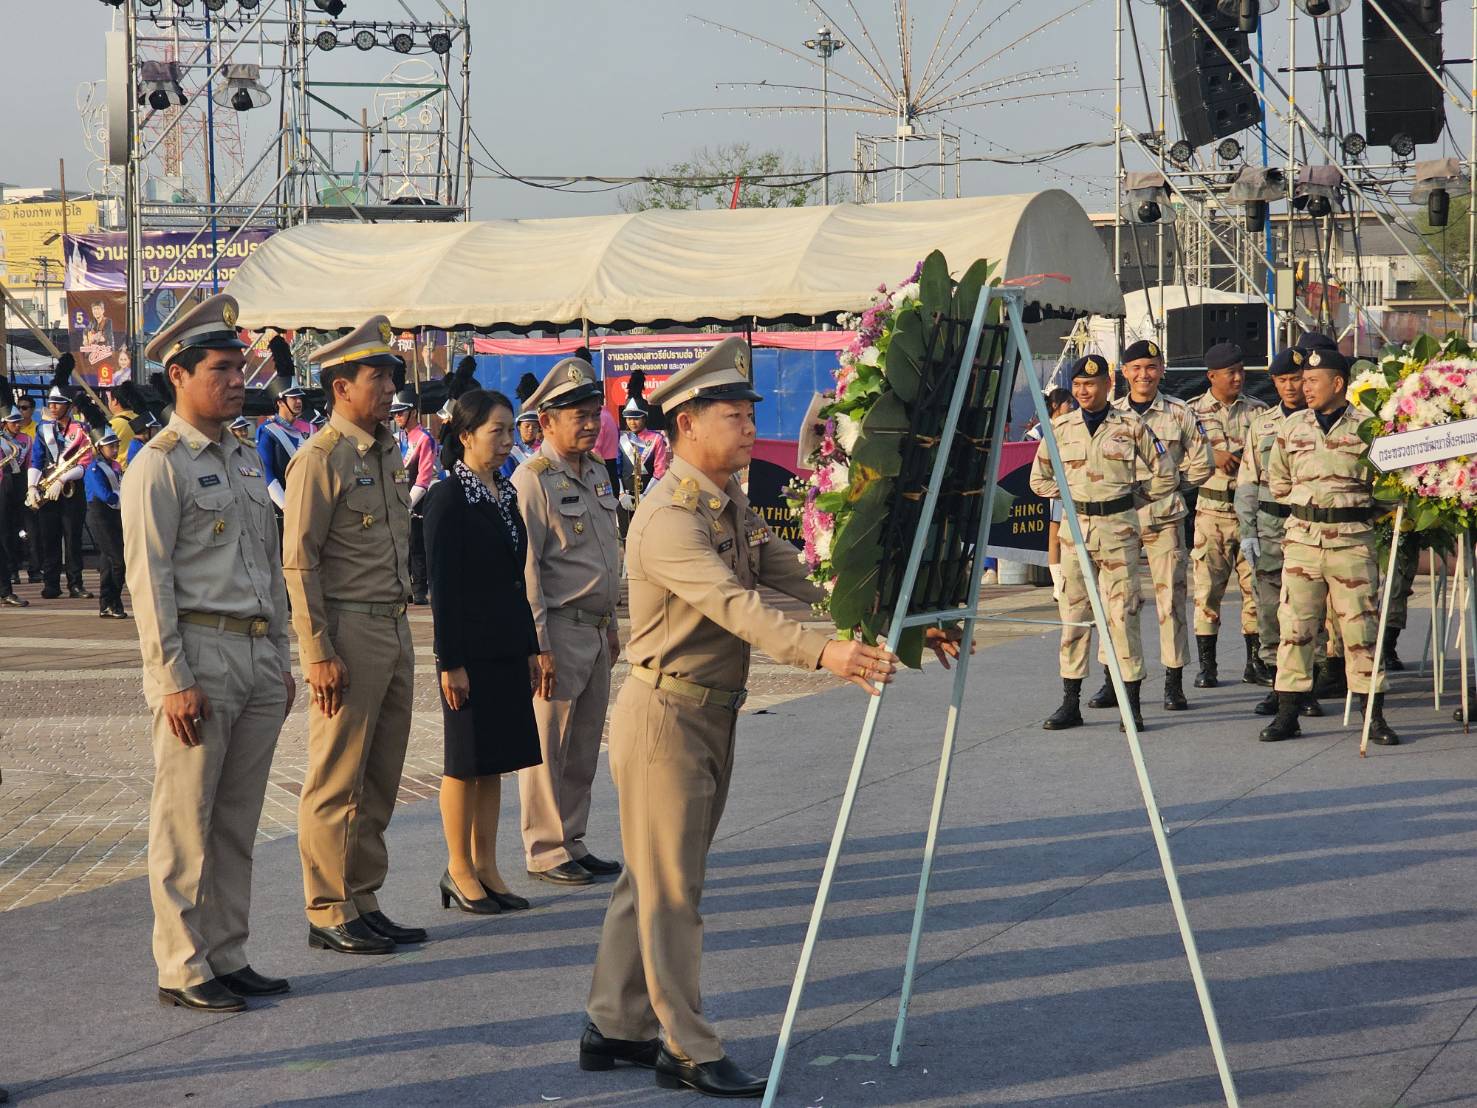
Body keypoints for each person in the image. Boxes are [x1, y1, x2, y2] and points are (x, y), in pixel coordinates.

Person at [583, 338, 934, 1098]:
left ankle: (612, 1023)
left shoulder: (726, 503)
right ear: (686, 425)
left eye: (749, 414)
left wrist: (889, 614)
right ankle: (685, 1046)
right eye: (733, 417)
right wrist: (824, 655)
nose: (749, 428)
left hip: (707, 713)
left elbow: (799, 575)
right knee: (673, 890)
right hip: (664, 717)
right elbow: (736, 606)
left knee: (652, 878)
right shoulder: (668, 518)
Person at [122, 292, 295, 1012]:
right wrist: (171, 680)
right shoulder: (157, 467)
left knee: (235, 820)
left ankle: (227, 950)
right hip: (200, 653)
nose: (237, 379)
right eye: (221, 369)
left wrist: (282, 655)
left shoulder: (245, 456)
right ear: (179, 377)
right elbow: (149, 582)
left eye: (239, 367)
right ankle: (183, 965)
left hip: (254, 656)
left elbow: (267, 560)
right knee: (185, 819)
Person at [283, 314, 425, 956]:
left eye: (392, 374)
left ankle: (363, 896)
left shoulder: (387, 450)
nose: (390, 386)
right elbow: (301, 559)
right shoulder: (321, 459)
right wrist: (317, 651)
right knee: (337, 776)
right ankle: (327, 905)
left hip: (393, 627)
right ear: (341, 386)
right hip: (348, 629)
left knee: (380, 774)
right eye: (378, 376)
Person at [423, 388, 541, 915]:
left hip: (506, 648)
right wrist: (450, 661)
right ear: (466, 435)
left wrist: (531, 648)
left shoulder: (505, 495)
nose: (506, 440)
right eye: (496, 430)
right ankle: (458, 867)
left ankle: (488, 865)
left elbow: (517, 581)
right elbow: (442, 587)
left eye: (510, 430)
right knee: (464, 762)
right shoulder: (449, 498)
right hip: (468, 653)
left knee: (495, 761)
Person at [512, 356, 624, 887]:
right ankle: (544, 846)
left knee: (583, 743)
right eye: (575, 413)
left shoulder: (599, 471)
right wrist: (537, 644)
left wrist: (613, 623)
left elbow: (605, 551)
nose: (588, 422)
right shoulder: (532, 480)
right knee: (546, 745)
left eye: (593, 411)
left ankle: (572, 837)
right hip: (556, 627)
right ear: (547, 421)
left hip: (596, 627)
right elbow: (527, 566)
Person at [1029, 354, 1177, 732]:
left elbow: (1165, 474)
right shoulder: (1059, 428)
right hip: (1075, 534)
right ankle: (1070, 702)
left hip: (1118, 532)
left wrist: (1133, 500)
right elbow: (1039, 479)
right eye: (1078, 385)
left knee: (1122, 615)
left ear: (1108, 385)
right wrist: (1072, 498)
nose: (1083, 391)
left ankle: (1131, 705)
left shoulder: (1131, 425)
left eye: (1091, 385)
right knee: (1074, 617)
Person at [1258, 347, 1398, 744]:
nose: (1305, 387)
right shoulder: (1292, 427)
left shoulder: (1369, 427)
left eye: (1312, 381)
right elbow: (1279, 482)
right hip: (1302, 541)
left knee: (1360, 629)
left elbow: (1387, 491)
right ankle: (1288, 712)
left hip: (1351, 543)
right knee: (1296, 627)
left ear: (1338, 383)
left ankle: (1374, 715)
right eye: (1302, 380)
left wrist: (1350, 511)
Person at [1087, 341, 1212, 713]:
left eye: (1151, 367)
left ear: (1161, 370)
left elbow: (1202, 462)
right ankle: (1113, 678)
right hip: (1118, 521)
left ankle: (1173, 681)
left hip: (1163, 517)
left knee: (1170, 602)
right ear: (1122, 373)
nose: (1144, 374)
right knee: (1115, 602)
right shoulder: (1110, 416)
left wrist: (1171, 486)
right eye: (1136, 367)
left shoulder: (1179, 412)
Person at [1236, 347, 1323, 718]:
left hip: (1308, 525)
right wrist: (1248, 531)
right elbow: (1247, 482)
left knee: (1309, 610)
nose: (1291, 386)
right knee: (1270, 609)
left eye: (1298, 379)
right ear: (1274, 382)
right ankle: (1276, 684)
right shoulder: (1263, 425)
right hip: (1270, 528)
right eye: (1284, 380)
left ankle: (1307, 687)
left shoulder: (1320, 420)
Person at [1189, 342, 1268, 688]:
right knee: (1208, 590)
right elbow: (1175, 456)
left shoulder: (1260, 412)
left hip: (1250, 513)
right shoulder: (1190, 413)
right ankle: (1208, 665)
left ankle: (1255, 660)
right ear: (1212, 376)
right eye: (1229, 373)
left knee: (1255, 588)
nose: (1237, 378)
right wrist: (1213, 454)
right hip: (1212, 512)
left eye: (1241, 371)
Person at [25, 385, 94, 600]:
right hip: (48, 488)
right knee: (49, 537)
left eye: (58, 403)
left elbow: (85, 463)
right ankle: (51, 584)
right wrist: (32, 487)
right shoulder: (43, 429)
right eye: (51, 403)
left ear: (69, 406)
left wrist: (63, 478)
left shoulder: (81, 429)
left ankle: (76, 584)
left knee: (73, 539)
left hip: (72, 488)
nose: (53, 407)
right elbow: (36, 459)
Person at [390, 390, 438, 605]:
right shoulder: (399, 438)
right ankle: (405, 586)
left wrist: (408, 503)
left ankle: (419, 589)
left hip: (417, 500)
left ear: (414, 413)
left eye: (401, 413)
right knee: (402, 545)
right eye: (395, 414)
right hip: (400, 496)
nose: (397, 417)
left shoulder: (425, 439)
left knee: (418, 544)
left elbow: (424, 476)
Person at [85, 429, 128, 619]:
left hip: (114, 514)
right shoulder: (94, 469)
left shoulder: (116, 465)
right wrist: (124, 496)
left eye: (117, 445)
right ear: (99, 448)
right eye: (111, 446)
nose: (116, 448)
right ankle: (114, 601)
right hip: (100, 514)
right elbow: (105, 496)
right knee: (119, 560)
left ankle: (105, 603)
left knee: (108, 562)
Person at [256, 382, 311, 512]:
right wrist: (286, 506)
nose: (299, 401)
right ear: (280, 402)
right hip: (284, 508)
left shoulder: (310, 429)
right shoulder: (268, 431)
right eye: (293, 398)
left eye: (299, 397)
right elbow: (266, 472)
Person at [617, 395, 670, 515]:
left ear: (644, 418)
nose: (632, 422)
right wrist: (620, 493)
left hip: (649, 497)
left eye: (636, 418)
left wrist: (646, 495)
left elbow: (660, 471)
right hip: (625, 499)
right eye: (628, 418)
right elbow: (617, 470)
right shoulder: (621, 439)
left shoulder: (656, 439)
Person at [0, 407, 29, 603]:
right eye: (13, 421)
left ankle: (5, 589)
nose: (17, 425)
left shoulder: (22, 440)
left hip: (6, 491)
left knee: (4, 540)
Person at [107, 381, 144, 463]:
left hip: (121, 472)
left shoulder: (112, 424)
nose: (108, 403)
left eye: (109, 400)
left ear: (115, 401)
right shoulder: (140, 419)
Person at [502, 408, 542, 477]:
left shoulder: (544, 449)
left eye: (535, 426)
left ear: (539, 429)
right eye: (527, 426)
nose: (530, 429)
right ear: (518, 427)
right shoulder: (511, 453)